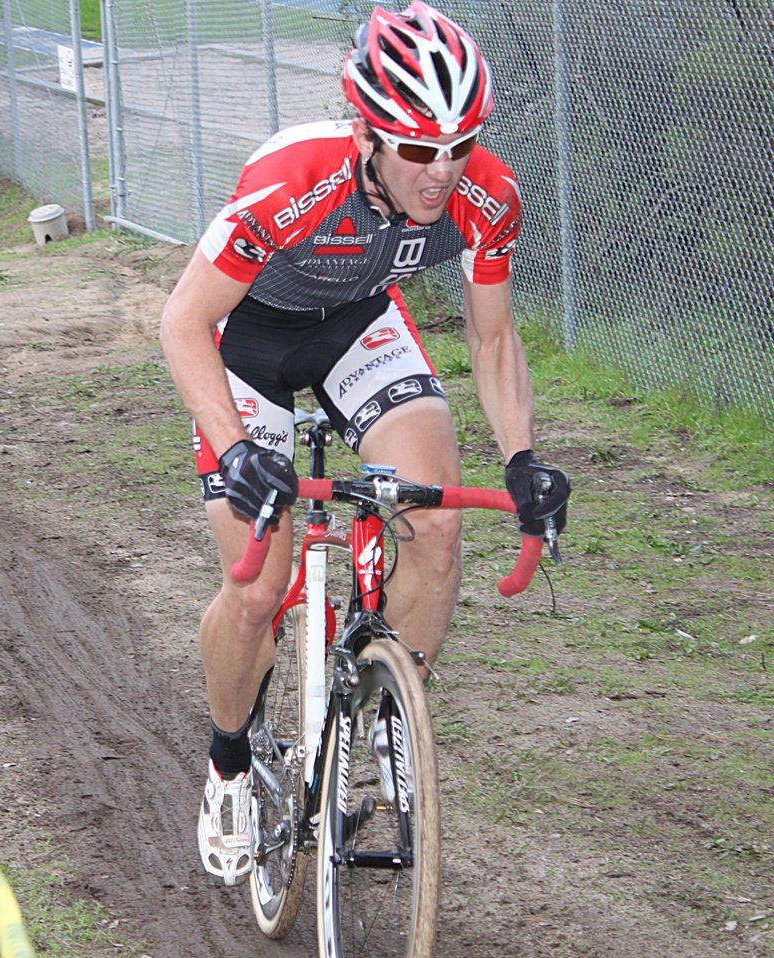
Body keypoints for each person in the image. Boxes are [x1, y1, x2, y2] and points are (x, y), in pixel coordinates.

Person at [159, 1, 571, 886]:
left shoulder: (487, 194)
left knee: (439, 524)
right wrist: (236, 450)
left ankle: (386, 720)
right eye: (419, 149)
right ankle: (229, 764)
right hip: (248, 343)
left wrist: (523, 458)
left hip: (357, 327)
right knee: (259, 586)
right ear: (367, 134)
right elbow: (183, 320)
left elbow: (492, 339)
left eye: (461, 144)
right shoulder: (293, 178)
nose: (442, 171)